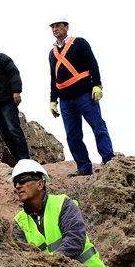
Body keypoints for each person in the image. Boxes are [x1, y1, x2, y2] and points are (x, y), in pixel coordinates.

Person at [10, 159, 107, 267]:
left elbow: (75, 239)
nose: (17, 186)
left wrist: (50, 264)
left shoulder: (62, 204)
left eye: (22, 180)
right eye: (15, 183)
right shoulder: (19, 222)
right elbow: (22, 257)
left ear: (40, 184)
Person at [47, 16, 114, 177]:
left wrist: (97, 84)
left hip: (84, 94)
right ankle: (83, 167)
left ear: (66, 27)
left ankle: (109, 159)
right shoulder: (52, 53)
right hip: (65, 100)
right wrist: (52, 100)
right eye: (52, 27)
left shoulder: (80, 43)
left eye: (58, 25)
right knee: (72, 135)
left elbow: (92, 63)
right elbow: (53, 77)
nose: (55, 29)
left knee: (98, 126)